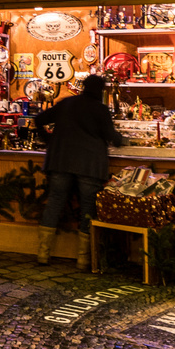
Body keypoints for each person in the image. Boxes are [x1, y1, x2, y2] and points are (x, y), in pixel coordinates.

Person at [34, 74, 126, 270]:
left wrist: (49, 140)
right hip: (89, 164)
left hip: (60, 161)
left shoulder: (68, 103)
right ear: (100, 90)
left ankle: (43, 253)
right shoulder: (100, 109)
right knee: (88, 207)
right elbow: (113, 138)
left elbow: (38, 119)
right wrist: (123, 139)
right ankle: (83, 259)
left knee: (55, 203)